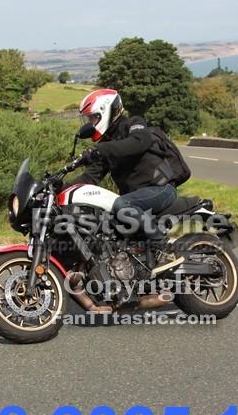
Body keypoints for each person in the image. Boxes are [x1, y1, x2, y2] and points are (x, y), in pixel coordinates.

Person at [71, 88, 183, 276]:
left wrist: (101, 149)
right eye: (88, 119)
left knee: (121, 204)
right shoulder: (107, 145)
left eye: (93, 118)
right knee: (104, 223)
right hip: (137, 198)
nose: (91, 123)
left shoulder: (133, 124)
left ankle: (165, 249)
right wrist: (58, 189)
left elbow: (139, 142)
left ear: (107, 111)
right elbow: (90, 178)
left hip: (161, 189)